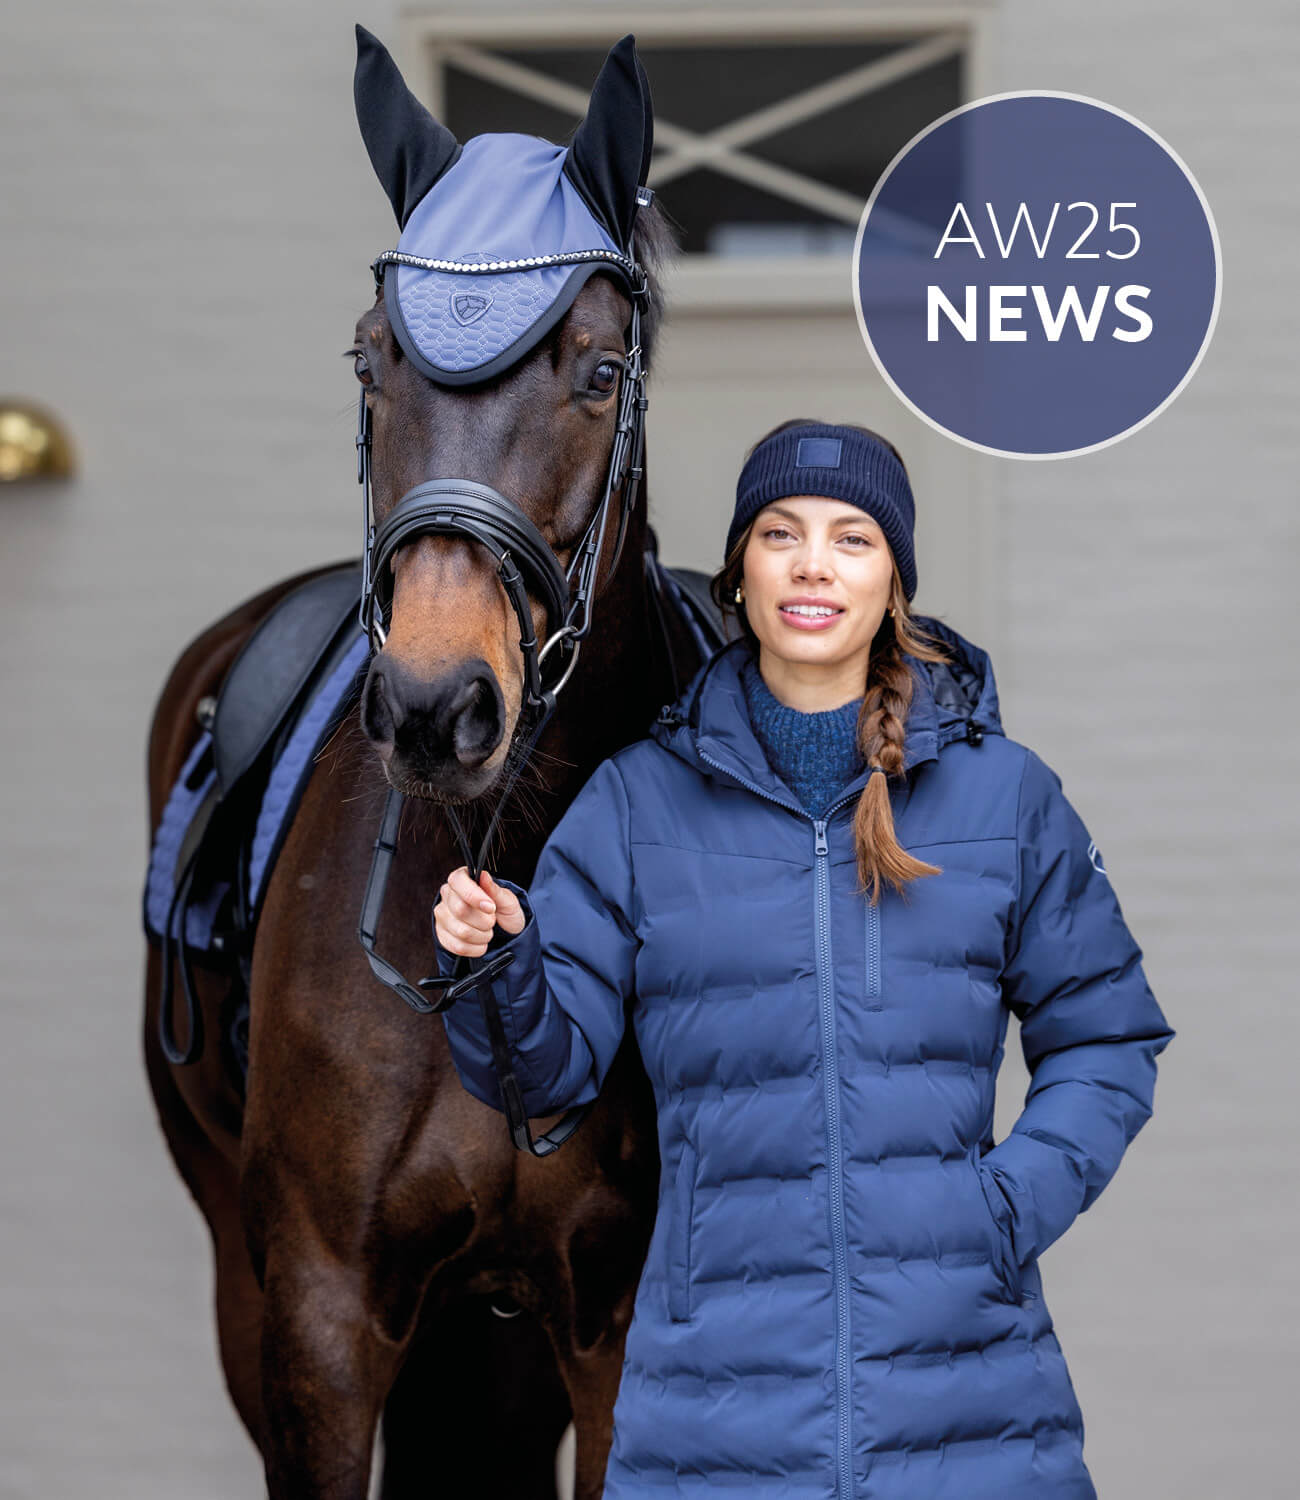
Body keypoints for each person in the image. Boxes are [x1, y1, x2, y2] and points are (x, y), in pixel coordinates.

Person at [431, 418, 1175, 1499]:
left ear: (893, 583)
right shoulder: (640, 805)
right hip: (713, 1423)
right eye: (780, 533)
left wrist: (1003, 1211)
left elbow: (1109, 1039)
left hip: (970, 1415)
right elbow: (536, 1079)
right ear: (739, 570)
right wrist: (498, 962)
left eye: (852, 538)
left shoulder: (1004, 799)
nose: (813, 564)